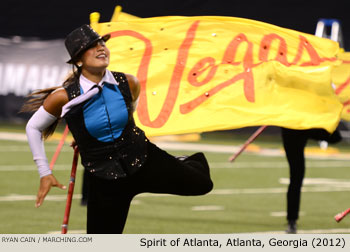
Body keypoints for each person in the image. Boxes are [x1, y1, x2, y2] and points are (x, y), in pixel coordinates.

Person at [23, 24, 213, 234]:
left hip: (143, 159)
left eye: (102, 43)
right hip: (105, 179)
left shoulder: (129, 82)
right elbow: (33, 127)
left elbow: (128, 116)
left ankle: (184, 161)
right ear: (78, 60)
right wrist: (45, 172)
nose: (101, 48)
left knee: (203, 184)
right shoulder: (64, 97)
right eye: (91, 46)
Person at [281, 127, 341, 233]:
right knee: (296, 177)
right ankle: (292, 220)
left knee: (296, 177)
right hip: (294, 126)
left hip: (302, 125)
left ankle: (292, 221)